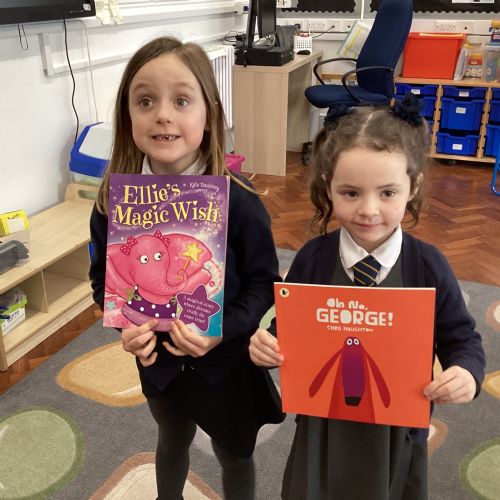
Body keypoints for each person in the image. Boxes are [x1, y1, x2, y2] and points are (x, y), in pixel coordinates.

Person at [249, 98, 486, 500]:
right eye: (351, 193)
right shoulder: (312, 259)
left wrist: (466, 373)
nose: (369, 210)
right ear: (329, 187)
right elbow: (287, 327)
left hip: (396, 432)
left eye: (387, 192)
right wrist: (267, 343)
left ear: (413, 187)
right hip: (323, 427)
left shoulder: (428, 267)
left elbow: (463, 339)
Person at [89, 36, 284, 500]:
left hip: (226, 361)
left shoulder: (239, 198)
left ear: (209, 114)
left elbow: (265, 283)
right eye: (145, 101)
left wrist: (223, 330)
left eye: (181, 100)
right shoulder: (112, 204)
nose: (162, 115)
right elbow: (104, 282)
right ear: (127, 116)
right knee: (172, 438)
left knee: (235, 454)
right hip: (158, 364)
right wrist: (125, 326)